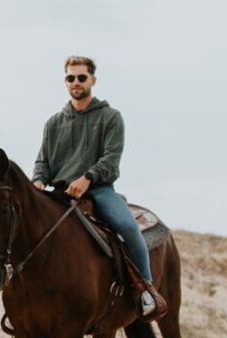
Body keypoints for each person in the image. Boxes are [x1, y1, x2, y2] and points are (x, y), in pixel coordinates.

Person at [32, 55, 163, 317]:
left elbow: (111, 158)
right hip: (59, 193)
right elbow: (43, 161)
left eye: (82, 77)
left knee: (127, 226)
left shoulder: (110, 117)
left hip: (98, 190)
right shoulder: (54, 123)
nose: (76, 82)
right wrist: (37, 181)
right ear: (65, 81)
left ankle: (145, 290)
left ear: (93, 79)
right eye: (71, 78)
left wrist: (87, 178)